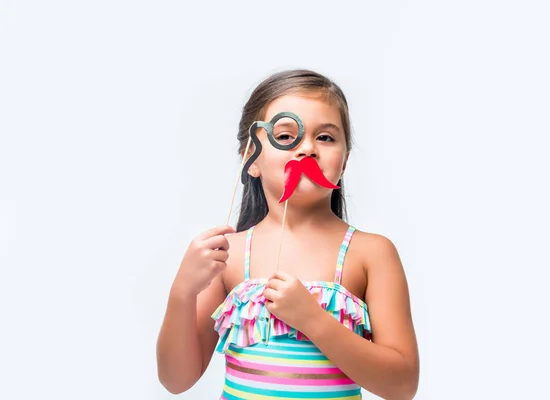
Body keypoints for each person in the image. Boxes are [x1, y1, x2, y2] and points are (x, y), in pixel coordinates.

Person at [156, 69, 420, 399]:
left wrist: (313, 320)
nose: (307, 148)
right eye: (285, 136)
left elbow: (402, 386)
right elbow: (176, 380)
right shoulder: (229, 255)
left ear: (345, 161)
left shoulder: (371, 253)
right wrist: (182, 292)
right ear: (251, 160)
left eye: (325, 137)